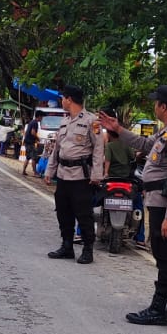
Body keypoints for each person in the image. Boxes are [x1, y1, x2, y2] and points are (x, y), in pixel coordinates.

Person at [98, 84, 167, 324]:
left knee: (165, 256)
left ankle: (158, 308)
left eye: (156, 103)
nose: (154, 106)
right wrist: (118, 129)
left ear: (163, 106)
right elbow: (143, 144)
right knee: (166, 254)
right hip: (158, 202)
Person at [43, 85, 107, 265]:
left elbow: (98, 148)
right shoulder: (64, 121)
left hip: (80, 176)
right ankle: (67, 246)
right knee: (63, 212)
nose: (62, 101)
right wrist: (50, 171)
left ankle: (88, 249)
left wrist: (96, 175)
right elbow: (57, 149)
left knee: (83, 214)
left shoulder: (91, 121)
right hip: (63, 175)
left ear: (69, 99)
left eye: (63, 98)